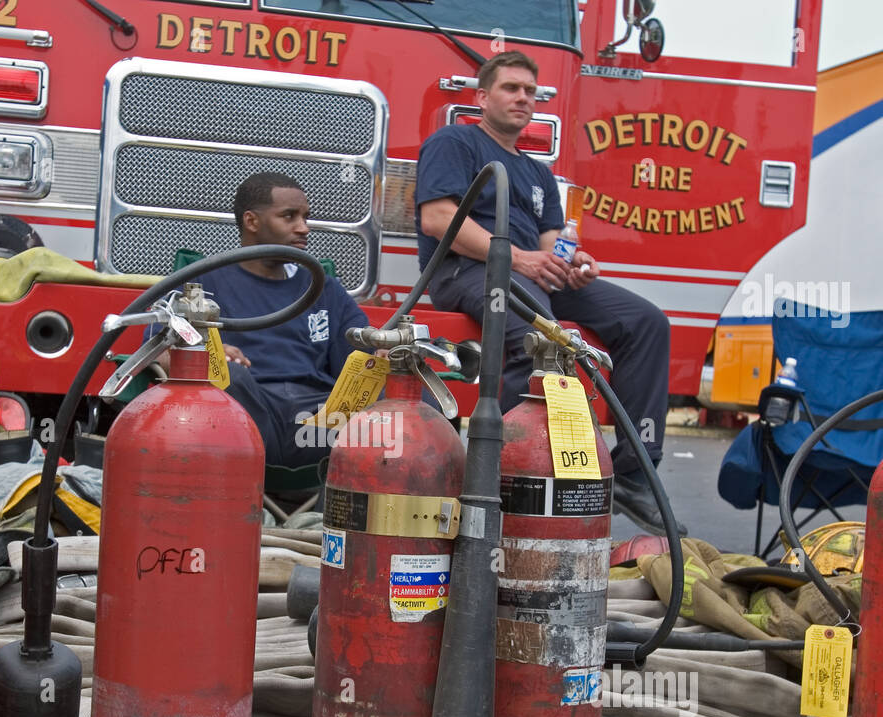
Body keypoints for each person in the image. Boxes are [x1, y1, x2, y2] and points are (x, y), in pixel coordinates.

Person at [415, 50, 680, 536]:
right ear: (481, 97)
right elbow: (438, 220)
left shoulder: (537, 173)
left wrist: (574, 264)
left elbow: (547, 246)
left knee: (647, 323)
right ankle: (505, 477)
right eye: (510, 88)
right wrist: (522, 260)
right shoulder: (454, 142)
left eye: (530, 92)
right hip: (465, 272)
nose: (522, 98)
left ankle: (636, 474)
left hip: (526, 274)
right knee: (540, 334)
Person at [151, 171, 369, 470]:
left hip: (319, 427)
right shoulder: (199, 283)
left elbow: (363, 353)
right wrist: (210, 355)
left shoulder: (324, 288)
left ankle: (331, 515)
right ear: (252, 222)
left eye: (305, 217)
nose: (304, 228)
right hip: (244, 421)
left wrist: (383, 355)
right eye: (289, 217)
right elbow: (158, 351)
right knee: (229, 376)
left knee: (403, 396)